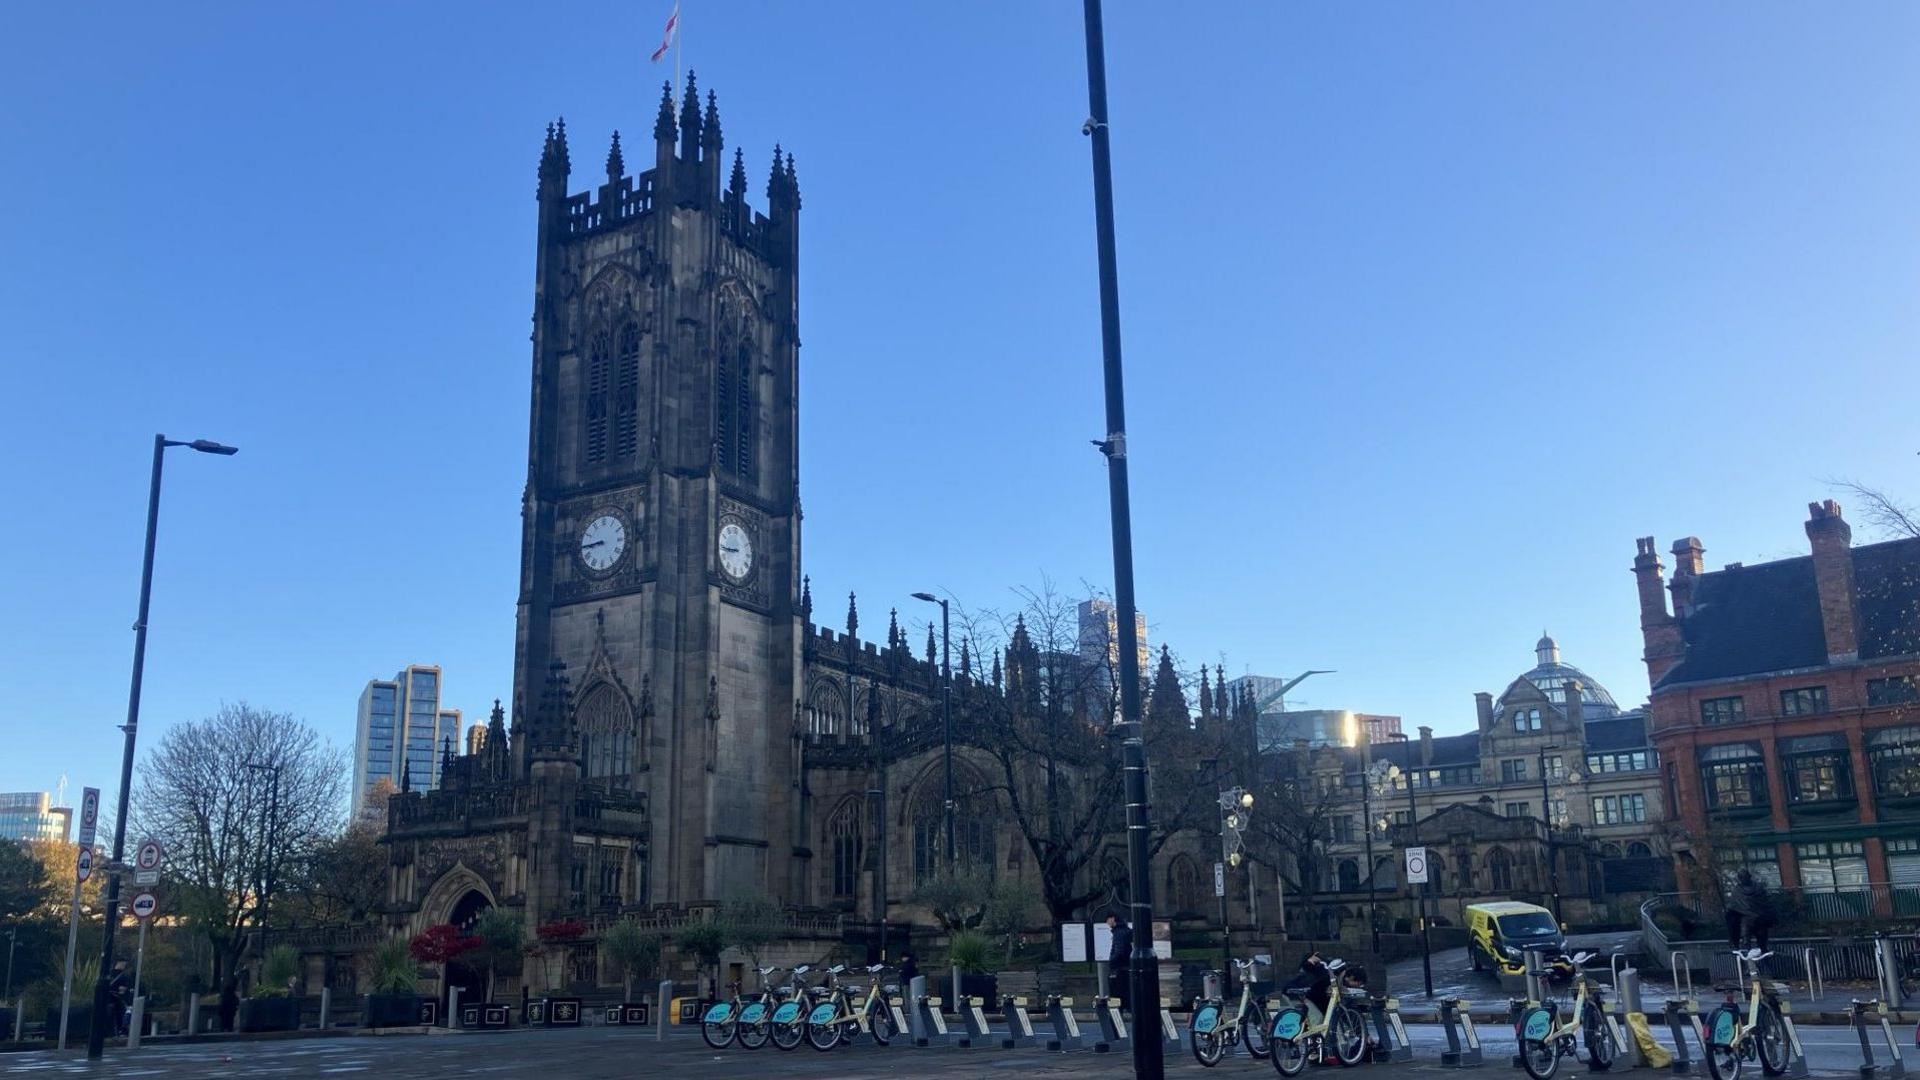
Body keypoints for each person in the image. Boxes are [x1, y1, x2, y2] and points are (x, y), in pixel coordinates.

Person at [1106, 914, 1134, 1008]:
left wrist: (1111, 961)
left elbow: (1119, 950)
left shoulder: (1118, 933)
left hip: (1119, 968)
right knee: (1127, 992)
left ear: (1113, 919)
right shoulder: (1126, 930)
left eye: (1107, 920)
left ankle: (1117, 1016)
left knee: (1117, 995)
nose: (1107, 923)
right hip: (1127, 966)